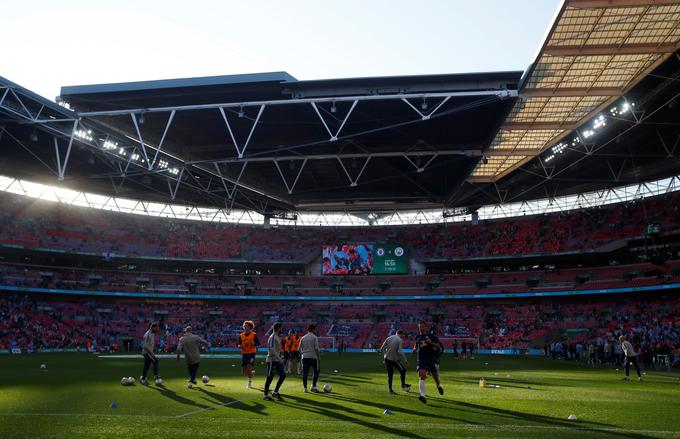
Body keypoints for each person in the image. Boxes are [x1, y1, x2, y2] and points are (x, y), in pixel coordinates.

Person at [414, 321, 444, 403]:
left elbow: (438, 346)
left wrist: (430, 343)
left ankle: (438, 386)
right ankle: (422, 396)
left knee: (435, 376)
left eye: (423, 326)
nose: (421, 328)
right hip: (421, 359)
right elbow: (416, 345)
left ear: (425, 327)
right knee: (421, 376)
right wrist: (415, 349)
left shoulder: (431, 336)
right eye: (420, 326)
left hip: (430, 359)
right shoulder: (417, 337)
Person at [379, 330, 411, 394]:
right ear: (400, 334)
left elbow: (382, 347)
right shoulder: (399, 340)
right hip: (394, 359)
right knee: (403, 370)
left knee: (390, 374)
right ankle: (403, 385)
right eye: (402, 335)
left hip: (387, 359)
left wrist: (385, 355)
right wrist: (406, 361)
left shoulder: (389, 337)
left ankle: (390, 390)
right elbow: (400, 351)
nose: (403, 336)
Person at [264, 322, 286, 400]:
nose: (281, 329)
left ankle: (275, 392)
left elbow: (277, 349)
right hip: (272, 360)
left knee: (283, 375)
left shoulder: (276, 337)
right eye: (280, 328)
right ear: (278, 328)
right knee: (269, 378)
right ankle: (265, 395)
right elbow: (272, 350)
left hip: (276, 360)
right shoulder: (273, 337)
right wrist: (280, 359)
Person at [299, 324, 321, 393]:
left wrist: (302, 353)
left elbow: (299, 348)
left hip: (304, 356)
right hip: (313, 356)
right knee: (316, 371)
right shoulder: (314, 337)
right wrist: (319, 357)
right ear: (313, 329)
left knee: (305, 372)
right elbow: (316, 348)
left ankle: (305, 388)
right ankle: (314, 386)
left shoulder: (303, 337)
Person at [238, 320, 260, 389]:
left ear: (250, 327)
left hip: (251, 353)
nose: (245, 327)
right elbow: (239, 344)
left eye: (246, 326)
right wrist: (239, 346)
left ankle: (249, 382)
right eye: (244, 325)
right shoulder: (241, 335)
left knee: (249, 366)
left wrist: (254, 344)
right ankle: (251, 373)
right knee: (244, 371)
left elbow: (258, 344)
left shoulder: (254, 335)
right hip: (244, 353)